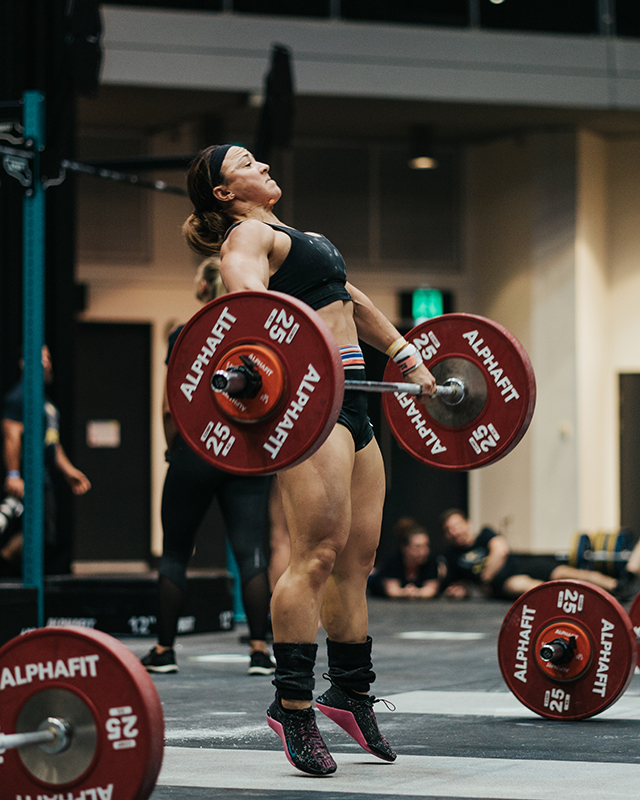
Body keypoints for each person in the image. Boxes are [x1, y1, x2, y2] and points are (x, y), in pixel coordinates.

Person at [181, 143, 437, 776]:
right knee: (316, 554)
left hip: (356, 403)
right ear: (224, 191)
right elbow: (250, 305)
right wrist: (265, 343)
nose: (261, 162)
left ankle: (349, 690)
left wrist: (406, 353)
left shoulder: (299, 237)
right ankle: (292, 706)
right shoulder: (246, 235)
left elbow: (354, 302)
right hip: (310, 405)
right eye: (244, 160)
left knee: (359, 559)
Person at [140, 258, 276, 677]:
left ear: (202, 287)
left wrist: (171, 451)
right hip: (246, 456)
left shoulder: (185, 335)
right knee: (252, 553)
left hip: (194, 454)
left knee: (176, 554)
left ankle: (164, 650)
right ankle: (258, 651)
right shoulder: (256, 337)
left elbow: (168, 409)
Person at [2, 345, 91, 574]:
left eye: (49, 358)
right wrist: (13, 475)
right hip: (27, 479)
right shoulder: (19, 397)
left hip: (44, 479)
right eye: (42, 358)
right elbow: (11, 435)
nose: (47, 363)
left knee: (44, 537)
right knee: (35, 534)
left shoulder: (45, 403)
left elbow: (52, 443)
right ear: (24, 363)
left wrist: (69, 470)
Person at [440, 508, 625, 600]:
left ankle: (618, 587)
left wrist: (485, 578)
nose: (454, 532)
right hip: (502, 582)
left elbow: (500, 551)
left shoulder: (484, 534)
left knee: (566, 573)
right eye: (449, 530)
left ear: (467, 524)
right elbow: (459, 584)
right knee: (533, 588)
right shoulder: (453, 556)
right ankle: (578, 602)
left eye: (456, 526)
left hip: (518, 564)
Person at [368, 517, 440, 599]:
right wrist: (406, 592)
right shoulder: (393, 558)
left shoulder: (431, 558)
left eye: (425, 546)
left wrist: (415, 592)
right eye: (417, 547)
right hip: (373, 582)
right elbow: (392, 591)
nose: (423, 551)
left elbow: (431, 590)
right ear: (405, 548)